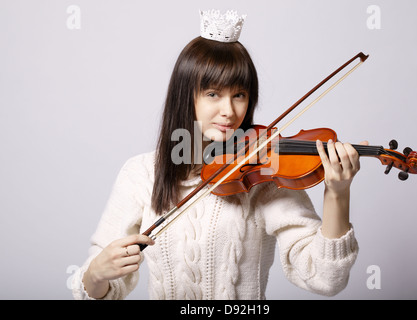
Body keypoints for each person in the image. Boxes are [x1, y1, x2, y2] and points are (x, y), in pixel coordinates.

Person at [72, 9, 366, 300]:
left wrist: (337, 194)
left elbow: (326, 280)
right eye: (213, 94)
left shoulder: (264, 174)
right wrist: (97, 274)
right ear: (186, 95)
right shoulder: (141, 173)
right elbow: (95, 290)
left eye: (239, 94)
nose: (229, 111)